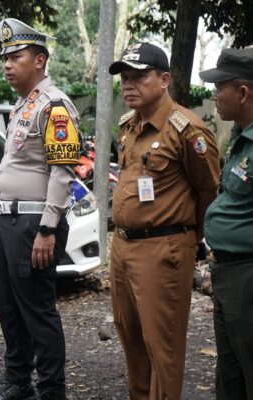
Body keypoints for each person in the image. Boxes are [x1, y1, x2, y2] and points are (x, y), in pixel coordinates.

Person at [108, 42, 220, 399]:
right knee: (132, 339)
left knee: (163, 346)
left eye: (139, 76)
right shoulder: (128, 126)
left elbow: (208, 192)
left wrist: (188, 240)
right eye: (125, 77)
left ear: (165, 79)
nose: (129, 84)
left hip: (163, 248)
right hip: (123, 247)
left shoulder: (187, 130)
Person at [0, 18, 80, 400]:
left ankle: (52, 389)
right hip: (8, 222)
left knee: (37, 310)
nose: (8, 64)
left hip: (33, 223)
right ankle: (18, 382)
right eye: (5, 57)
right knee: (8, 307)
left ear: (39, 60)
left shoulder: (55, 106)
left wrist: (47, 229)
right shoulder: (22, 106)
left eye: (17, 56)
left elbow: (62, 173)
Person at [200, 47, 253, 400]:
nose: (215, 95)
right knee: (230, 376)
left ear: (244, 92)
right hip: (226, 274)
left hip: (247, 278)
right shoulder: (239, 137)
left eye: (221, 87)